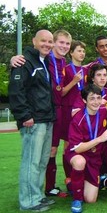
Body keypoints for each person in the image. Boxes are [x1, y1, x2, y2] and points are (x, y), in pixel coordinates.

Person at [10, 29, 73, 196]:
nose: (63, 46)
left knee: (43, 159)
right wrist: (13, 59)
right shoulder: (33, 61)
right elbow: (18, 88)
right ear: (34, 41)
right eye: (60, 42)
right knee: (35, 160)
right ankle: (36, 196)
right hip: (35, 117)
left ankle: (39, 195)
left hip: (50, 115)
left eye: (67, 43)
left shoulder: (49, 62)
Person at [8, 29, 56, 212]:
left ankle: (37, 196)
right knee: (31, 162)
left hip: (46, 118)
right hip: (33, 121)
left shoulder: (45, 61)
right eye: (43, 41)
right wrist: (24, 115)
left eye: (50, 41)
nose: (47, 44)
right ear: (34, 41)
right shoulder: (24, 62)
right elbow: (16, 91)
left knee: (41, 162)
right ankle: (28, 202)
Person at [65, 84, 107, 213]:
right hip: (78, 153)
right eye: (92, 98)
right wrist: (99, 139)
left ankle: (72, 183)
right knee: (80, 162)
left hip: (94, 157)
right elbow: (78, 148)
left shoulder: (102, 112)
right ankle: (77, 199)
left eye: (98, 98)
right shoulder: (78, 119)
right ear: (84, 100)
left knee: (91, 199)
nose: (96, 102)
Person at [61, 40, 88, 144]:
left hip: (83, 109)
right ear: (71, 52)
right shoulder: (66, 69)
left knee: (81, 139)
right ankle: (67, 160)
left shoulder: (86, 71)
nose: (82, 53)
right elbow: (61, 92)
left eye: (83, 51)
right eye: (79, 51)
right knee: (68, 141)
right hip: (69, 109)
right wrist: (74, 81)